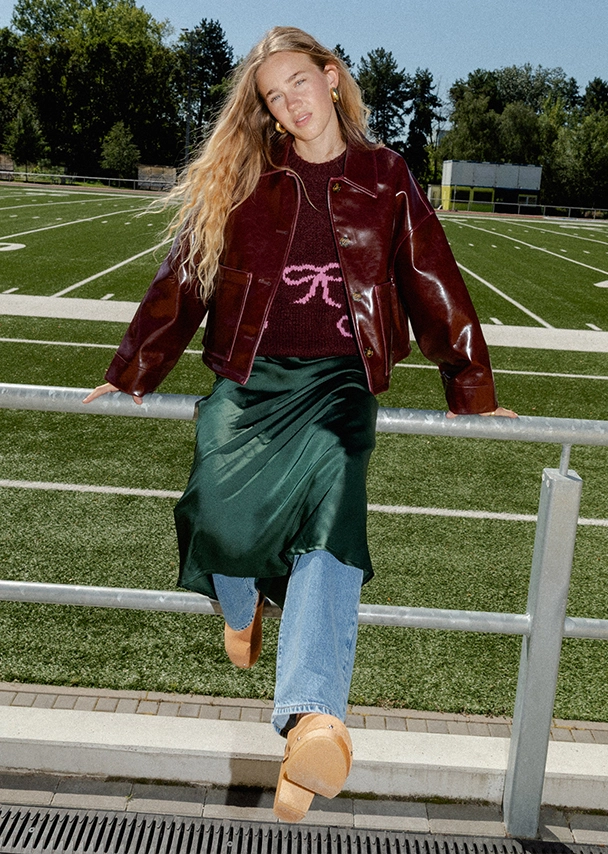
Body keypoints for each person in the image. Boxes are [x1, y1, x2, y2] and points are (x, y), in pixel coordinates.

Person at [83, 26, 515, 822]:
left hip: (338, 384)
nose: (290, 104)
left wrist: (472, 386)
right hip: (250, 382)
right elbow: (188, 271)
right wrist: (133, 367)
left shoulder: (384, 175)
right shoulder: (248, 175)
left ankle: (313, 719)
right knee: (215, 505)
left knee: (331, 512)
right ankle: (241, 608)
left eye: (298, 83)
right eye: (273, 98)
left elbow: (431, 275)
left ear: (330, 76)